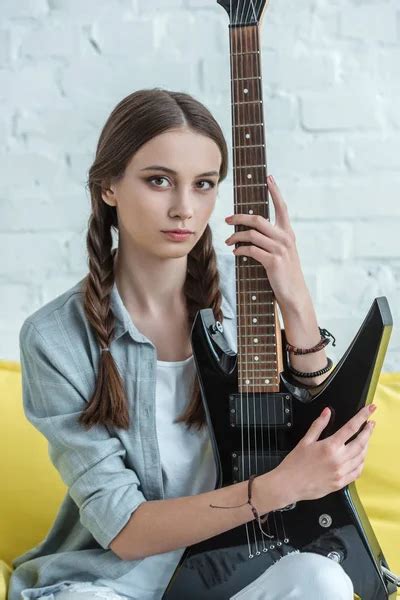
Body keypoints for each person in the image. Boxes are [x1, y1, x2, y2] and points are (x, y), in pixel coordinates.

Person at [8, 88, 375, 600]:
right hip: (114, 583)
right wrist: (277, 490)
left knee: (324, 581)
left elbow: (317, 426)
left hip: (236, 570)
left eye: (203, 185)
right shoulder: (54, 339)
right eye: (159, 181)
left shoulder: (244, 293)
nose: (184, 208)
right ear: (109, 185)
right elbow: (125, 529)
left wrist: (295, 301)